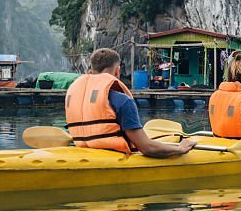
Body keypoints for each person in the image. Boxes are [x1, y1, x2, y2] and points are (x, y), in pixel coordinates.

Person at [66, 47, 196, 157]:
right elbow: (146, 147)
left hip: (84, 151)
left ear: (91, 71)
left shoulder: (74, 97)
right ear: (117, 70)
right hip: (114, 156)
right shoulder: (122, 100)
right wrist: (180, 148)